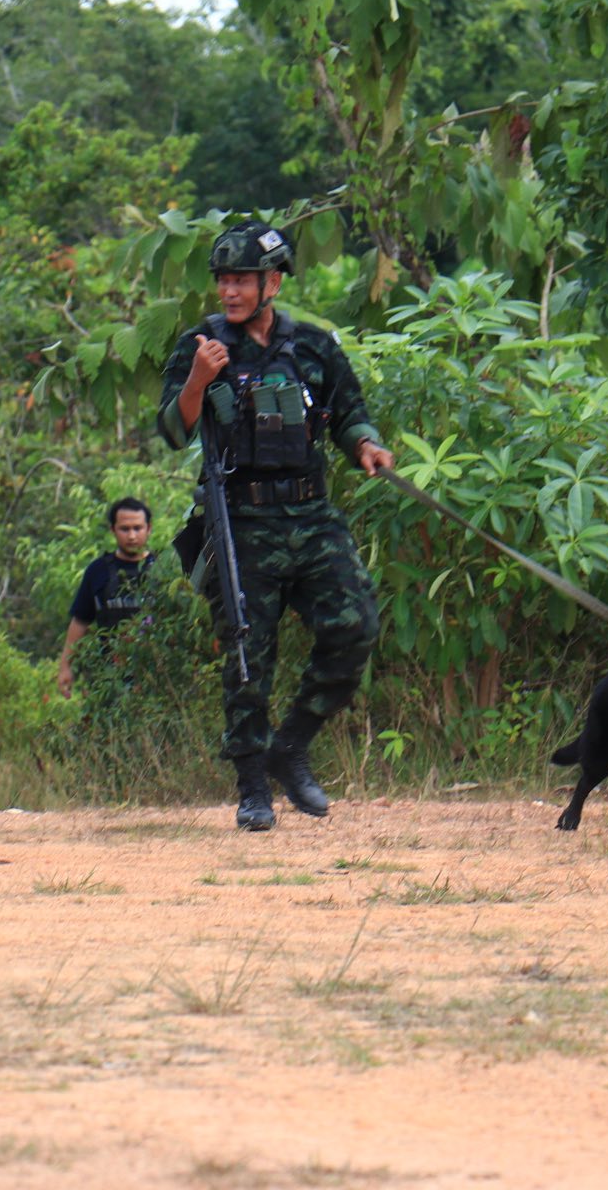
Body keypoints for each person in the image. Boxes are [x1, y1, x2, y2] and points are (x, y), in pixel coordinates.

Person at [157, 220, 392, 831]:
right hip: (240, 520)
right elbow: (173, 429)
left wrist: (366, 445)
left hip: (311, 514)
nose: (230, 292)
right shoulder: (200, 346)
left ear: (274, 283)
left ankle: (291, 746)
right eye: (223, 281)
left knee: (356, 626)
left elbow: (348, 413)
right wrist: (199, 381)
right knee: (245, 655)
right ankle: (253, 786)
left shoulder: (313, 346)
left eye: (242, 280)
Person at [57, 497, 156, 699]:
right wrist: (66, 667)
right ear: (113, 530)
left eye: (138, 528)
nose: (132, 535)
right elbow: (80, 621)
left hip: (157, 675)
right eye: (125, 529)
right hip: (110, 677)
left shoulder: (163, 569)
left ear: (149, 529)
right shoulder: (98, 570)